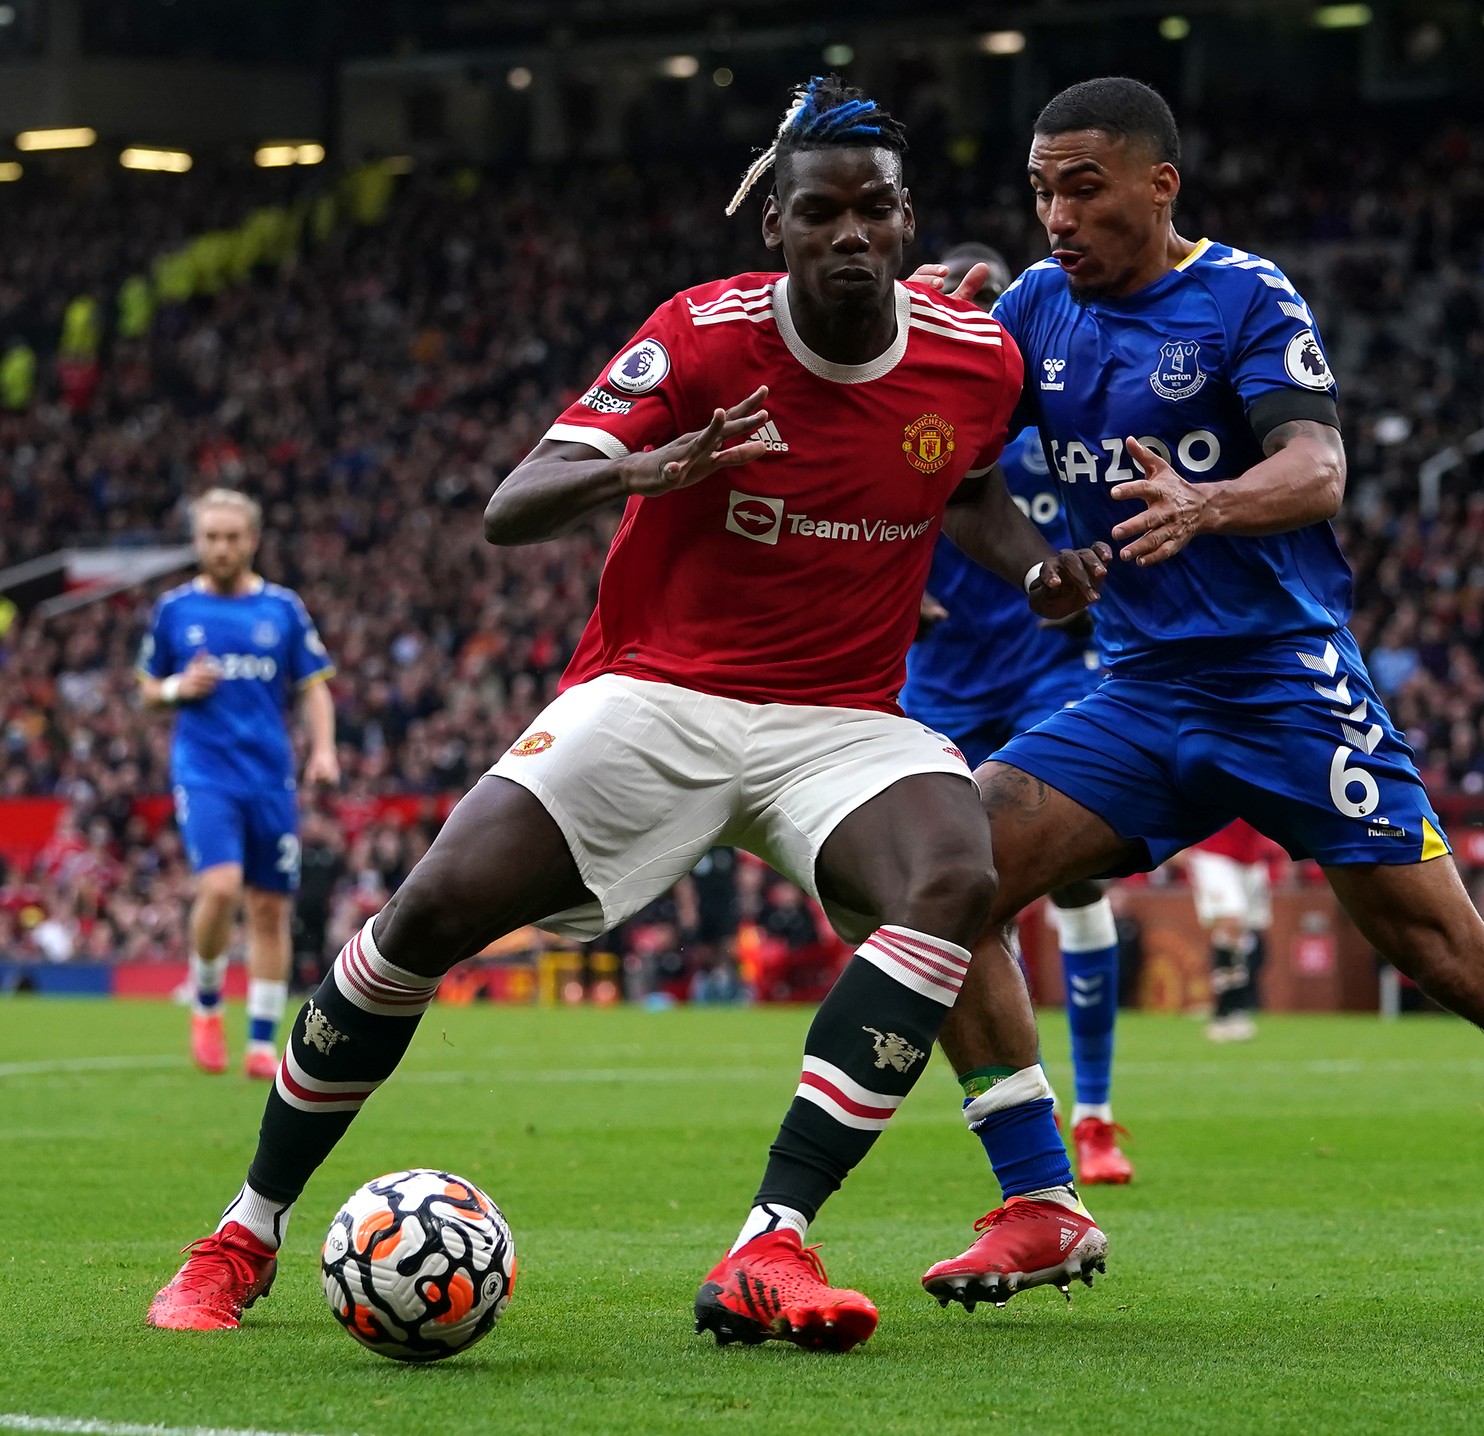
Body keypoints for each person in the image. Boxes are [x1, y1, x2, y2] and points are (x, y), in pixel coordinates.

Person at [146, 76, 1109, 1353]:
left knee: (951, 870)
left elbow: (972, 489)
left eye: (873, 209)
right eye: (817, 212)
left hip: (842, 720)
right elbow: (513, 502)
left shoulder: (973, 357)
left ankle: (774, 1235)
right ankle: (244, 1231)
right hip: (659, 693)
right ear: (775, 225)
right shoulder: (702, 336)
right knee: (422, 918)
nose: (848, 236)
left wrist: (1035, 565)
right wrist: (639, 467)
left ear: (904, 217)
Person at [922, 77, 1484, 1325]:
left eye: (1082, 185)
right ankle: (1042, 1197)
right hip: (1138, 691)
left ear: (1161, 183)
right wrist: (1040, 561)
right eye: (1041, 188)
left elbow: (1318, 468)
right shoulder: (1036, 311)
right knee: (946, 880)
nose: (1056, 214)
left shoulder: (1245, 297)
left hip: (1281, 685)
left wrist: (1206, 502)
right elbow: (965, 481)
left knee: (1444, 952)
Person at [901, 243, 1131, 1186]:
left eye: (995, 299)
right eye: (966, 296)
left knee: (1074, 885)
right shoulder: (918, 414)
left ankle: (1097, 1116)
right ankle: (1002, 1100)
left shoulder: (1054, 421)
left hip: (1044, 675)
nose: (982, 311)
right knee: (938, 891)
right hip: (936, 688)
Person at [136, 488, 338, 1079]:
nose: (221, 548)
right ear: (198, 542)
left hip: (270, 778)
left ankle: (258, 1042)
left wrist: (323, 749)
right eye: (210, 537)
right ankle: (204, 1002)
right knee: (221, 888)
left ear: (251, 540)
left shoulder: (281, 609)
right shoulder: (175, 610)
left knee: (272, 907)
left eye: (231, 537)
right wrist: (176, 688)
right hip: (204, 773)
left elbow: (314, 685)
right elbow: (147, 688)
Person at [1186, 819, 1280, 1042]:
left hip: (1250, 856)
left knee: (1244, 934)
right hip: (1213, 851)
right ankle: (1224, 1011)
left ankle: (1235, 1009)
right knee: (1231, 921)